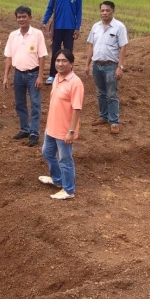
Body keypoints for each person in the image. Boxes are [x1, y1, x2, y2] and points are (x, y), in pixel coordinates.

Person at [38, 49, 84, 200]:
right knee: (47, 153)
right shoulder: (57, 77)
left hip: (65, 130)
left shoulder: (75, 83)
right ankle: (57, 179)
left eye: (64, 61)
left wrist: (71, 131)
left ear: (71, 64)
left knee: (65, 160)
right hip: (51, 127)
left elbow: (77, 108)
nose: (60, 64)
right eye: (58, 60)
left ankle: (69, 190)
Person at [3, 5, 48, 147]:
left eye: (24, 17)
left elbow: (42, 56)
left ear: (30, 18)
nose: (21, 19)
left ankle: (34, 133)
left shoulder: (37, 34)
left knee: (35, 104)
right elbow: (8, 57)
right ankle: (25, 129)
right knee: (20, 103)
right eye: (19, 17)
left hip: (33, 74)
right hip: (18, 74)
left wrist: (40, 76)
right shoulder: (13, 35)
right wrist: (6, 76)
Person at [84, 0, 128, 134]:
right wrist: (87, 64)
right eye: (102, 10)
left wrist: (120, 67)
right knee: (100, 93)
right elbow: (91, 46)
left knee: (112, 94)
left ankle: (114, 121)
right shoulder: (95, 27)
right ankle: (103, 116)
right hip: (97, 65)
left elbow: (123, 48)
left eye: (107, 10)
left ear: (112, 11)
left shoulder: (119, 27)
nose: (104, 13)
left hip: (111, 66)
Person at [42, 0, 82, 85]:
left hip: (70, 27)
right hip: (57, 27)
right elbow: (50, 8)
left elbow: (79, 11)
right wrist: (44, 22)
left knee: (68, 52)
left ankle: (69, 75)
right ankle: (52, 75)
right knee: (55, 51)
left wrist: (77, 28)